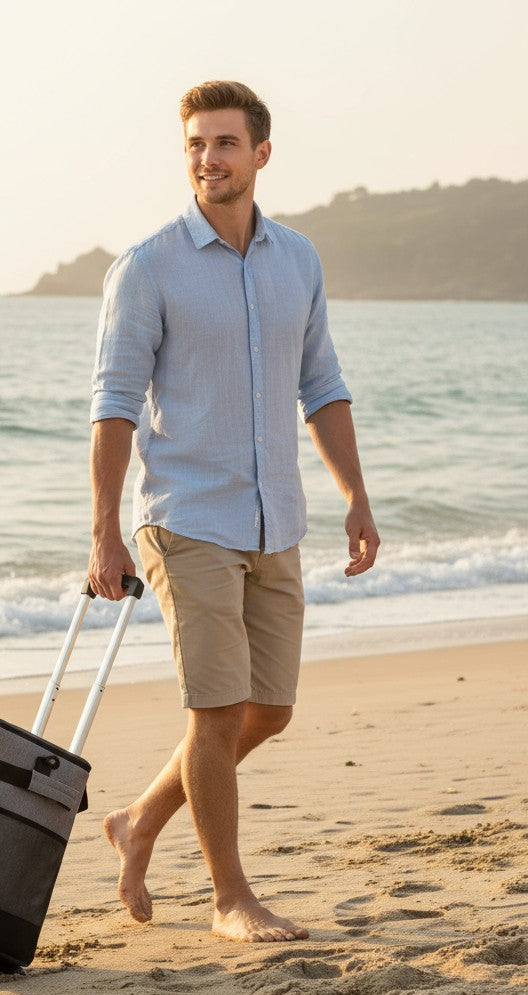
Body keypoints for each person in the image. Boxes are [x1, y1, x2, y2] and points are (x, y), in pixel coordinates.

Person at [88, 80, 380, 943]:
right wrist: (104, 532)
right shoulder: (147, 266)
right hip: (185, 519)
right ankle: (230, 900)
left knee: (269, 709)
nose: (207, 159)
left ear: (261, 153)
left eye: (223, 143)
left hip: (273, 517)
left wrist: (356, 496)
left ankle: (139, 819)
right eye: (195, 144)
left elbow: (322, 385)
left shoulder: (299, 260)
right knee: (214, 713)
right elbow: (113, 404)